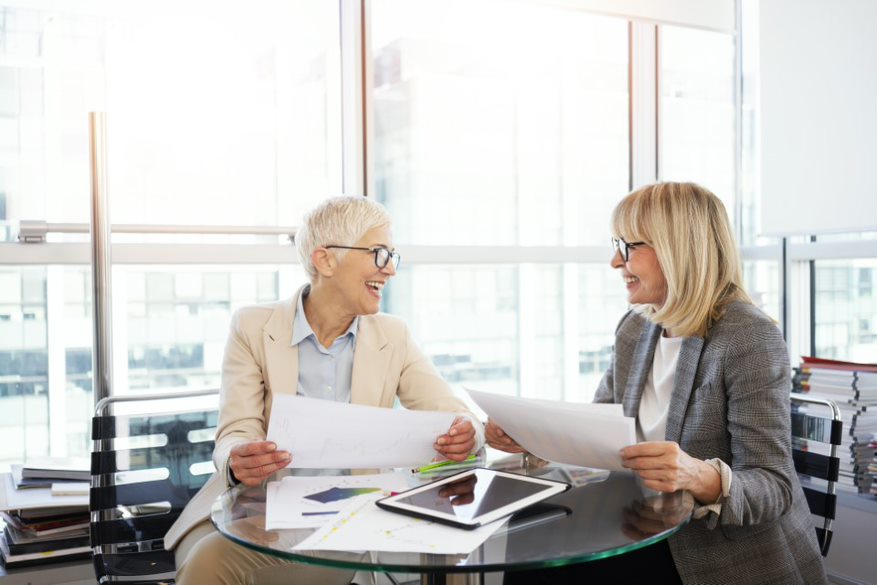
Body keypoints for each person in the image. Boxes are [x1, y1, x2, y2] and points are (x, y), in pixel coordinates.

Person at [487, 182, 826, 584]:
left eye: (629, 246)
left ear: (677, 249)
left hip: (715, 552)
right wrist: (535, 437)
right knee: (532, 550)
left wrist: (696, 475)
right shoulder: (636, 328)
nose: (616, 261)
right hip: (639, 525)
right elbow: (597, 432)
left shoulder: (747, 338)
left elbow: (774, 487)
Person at [164, 196, 484, 585]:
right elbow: (236, 430)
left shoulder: (392, 335)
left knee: (210, 563)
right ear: (326, 260)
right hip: (266, 513)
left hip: (356, 515)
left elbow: (454, 413)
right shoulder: (252, 327)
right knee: (205, 558)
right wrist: (237, 458)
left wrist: (467, 432)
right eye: (379, 253)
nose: (390, 270)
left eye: (392, 256)